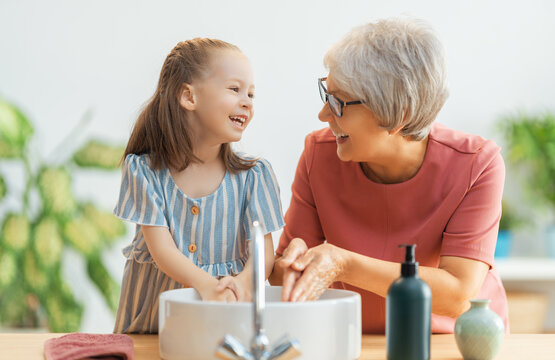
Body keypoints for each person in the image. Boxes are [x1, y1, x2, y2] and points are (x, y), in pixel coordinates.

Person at [269, 17, 509, 334]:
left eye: (339, 102)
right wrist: (292, 264)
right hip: (356, 339)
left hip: (452, 342)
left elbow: (457, 294)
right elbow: (280, 272)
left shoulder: (476, 164)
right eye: (326, 94)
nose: (324, 114)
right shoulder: (318, 153)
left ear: (398, 115)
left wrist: (343, 263)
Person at [113, 38, 284, 334]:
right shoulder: (145, 171)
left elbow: (263, 254)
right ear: (189, 97)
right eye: (234, 89)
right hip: (152, 326)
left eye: (251, 94)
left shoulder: (255, 176)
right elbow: (162, 251)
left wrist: (242, 284)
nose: (247, 101)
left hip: (223, 324)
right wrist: (208, 286)